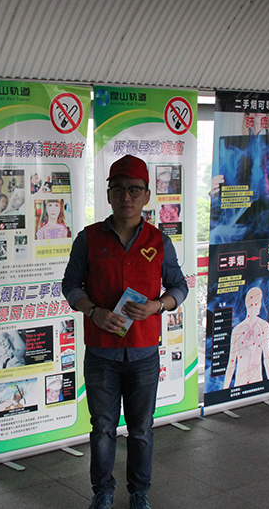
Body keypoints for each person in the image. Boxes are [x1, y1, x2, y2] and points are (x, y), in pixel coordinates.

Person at [62, 154, 188, 509]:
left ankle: (139, 493)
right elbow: (70, 285)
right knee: (102, 427)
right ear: (108, 194)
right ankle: (102, 492)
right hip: (101, 352)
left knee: (141, 428)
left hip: (144, 352)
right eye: (118, 189)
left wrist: (157, 306)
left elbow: (179, 287)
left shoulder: (159, 241)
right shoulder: (89, 239)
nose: (126, 197)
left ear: (147, 195)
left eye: (134, 190)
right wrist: (93, 311)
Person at [223, 287, 269, 389]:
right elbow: (267, 357)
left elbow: (231, 363)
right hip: (246, 380)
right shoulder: (239, 330)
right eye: (257, 303)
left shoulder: (262, 326)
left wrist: (225, 390)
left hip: (252, 379)